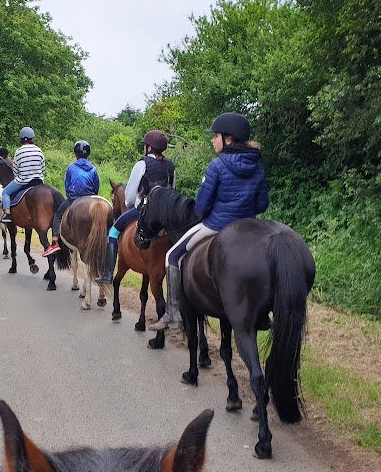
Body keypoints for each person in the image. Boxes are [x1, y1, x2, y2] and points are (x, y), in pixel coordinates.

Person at [148, 112, 269, 331]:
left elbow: (202, 207)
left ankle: (173, 313)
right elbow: (262, 205)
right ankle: (261, 314)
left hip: (216, 225)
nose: (213, 140)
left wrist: (217, 211)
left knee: (172, 255)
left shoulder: (217, 166)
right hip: (248, 229)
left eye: (216, 136)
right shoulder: (258, 167)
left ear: (228, 139)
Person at [95, 130, 175, 284]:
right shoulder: (170, 165)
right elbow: (172, 189)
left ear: (149, 148)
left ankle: (108, 274)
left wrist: (128, 204)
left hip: (144, 210)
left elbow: (130, 196)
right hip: (166, 214)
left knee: (112, 232)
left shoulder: (141, 164)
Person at [42, 141, 99, 257]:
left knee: (57, 215)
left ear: (75, 154)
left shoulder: (71, 167)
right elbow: (96, 186)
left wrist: (70, 195)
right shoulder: (93, 169)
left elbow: (67, 185)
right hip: (90, 198)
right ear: (88, 154)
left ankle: (55, 242)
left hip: (74, 198)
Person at [0, 127, 45, 223]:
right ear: (32, 138)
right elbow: (42, 168)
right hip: (38, 180)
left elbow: (15, 170)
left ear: (21, 138)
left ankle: (7, 214)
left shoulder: (19, 151)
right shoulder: (39, 150)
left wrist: (18, 177)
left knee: (5, 193)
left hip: (24, 181)